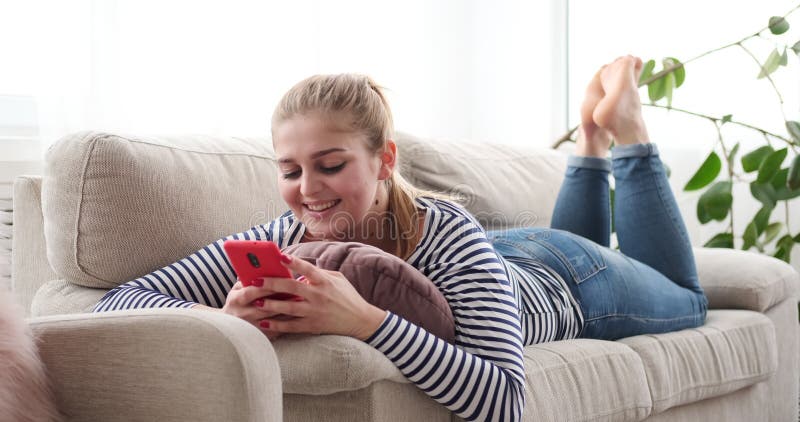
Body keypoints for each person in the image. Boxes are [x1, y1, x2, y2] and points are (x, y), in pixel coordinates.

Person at [93, 55, 707, 421]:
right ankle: (590, 141)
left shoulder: (445, 229)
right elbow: (115, 306)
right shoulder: (282, 234)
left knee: (690, 299)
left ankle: (626, 131)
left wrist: (366, 322)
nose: (308, 190)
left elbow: (502, 403)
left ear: (385, 160)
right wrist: (223, 318)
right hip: (506, 260)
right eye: (289, 171)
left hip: (570, 281)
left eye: (330, 165)